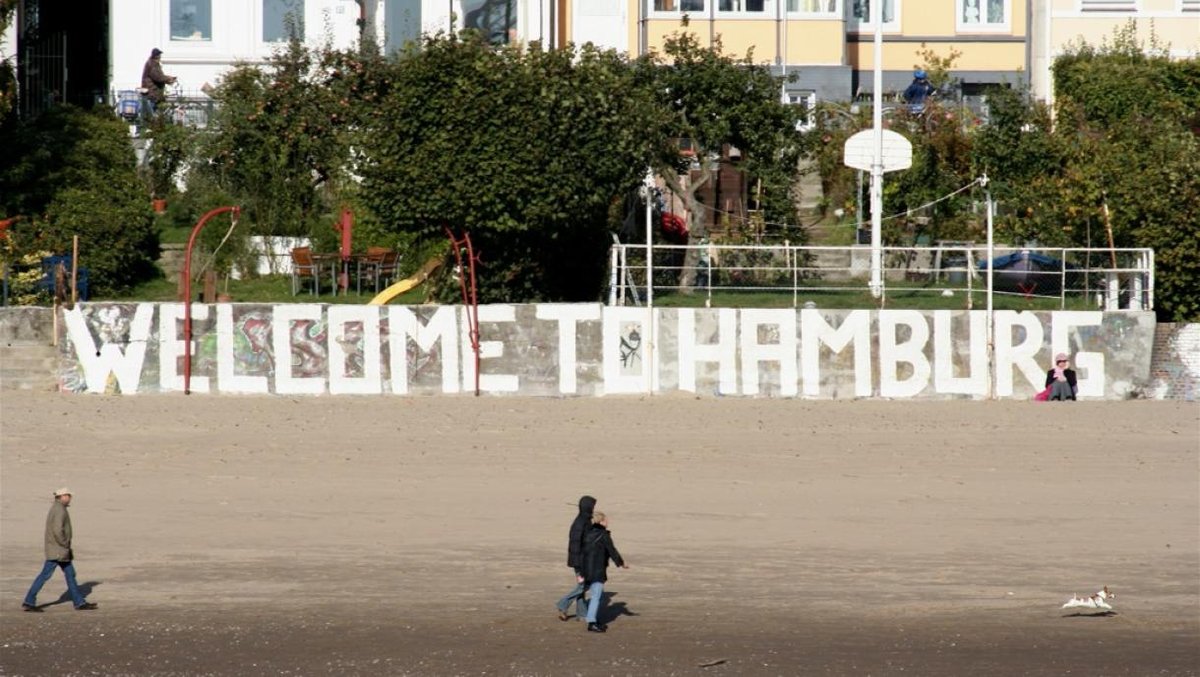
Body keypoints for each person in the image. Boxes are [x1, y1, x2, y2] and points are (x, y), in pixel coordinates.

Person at [22, 488, 98, 612]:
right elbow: (58, 531)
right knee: (45, 575)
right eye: (68, 496)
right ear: (61, 496)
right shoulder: (59, 510)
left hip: (60, 550)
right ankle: (29, 601)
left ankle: (79, 602)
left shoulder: (57, 508)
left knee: (70, 575)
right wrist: (64, 544)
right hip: (58, 551)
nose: (69, 498)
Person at [580, 511, 628, 634]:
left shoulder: (587, 533)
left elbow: (582, 552)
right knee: (596, 595)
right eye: (606, 520)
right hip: (597, 569)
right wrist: (621, 563)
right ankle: (591, 622)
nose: (608, 522)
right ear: (600, 521)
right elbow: (612, 550)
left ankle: (591, 618)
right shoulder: (603, 535)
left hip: (586, 569)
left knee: (594, 594)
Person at [555, 495, 595, 621]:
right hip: (580, 561)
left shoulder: (585, 520)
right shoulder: (581, 522)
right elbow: (577, 544)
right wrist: (581, 562)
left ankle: (582, 614)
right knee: (583, 586)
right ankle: (563, 604)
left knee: (581, 586)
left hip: (581, 559)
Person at [140, 48, 176, 119]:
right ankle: (150, 125)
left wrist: (168, 79)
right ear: (156, 56)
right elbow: (157, 77)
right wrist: (168, 79)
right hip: (152, 91)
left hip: (155, 91)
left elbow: (159, 76)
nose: (160, 57)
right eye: (159, 55)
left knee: (156, 110)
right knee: (152, 112)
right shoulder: (152, 64)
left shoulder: (153, 63)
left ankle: (155, 124)